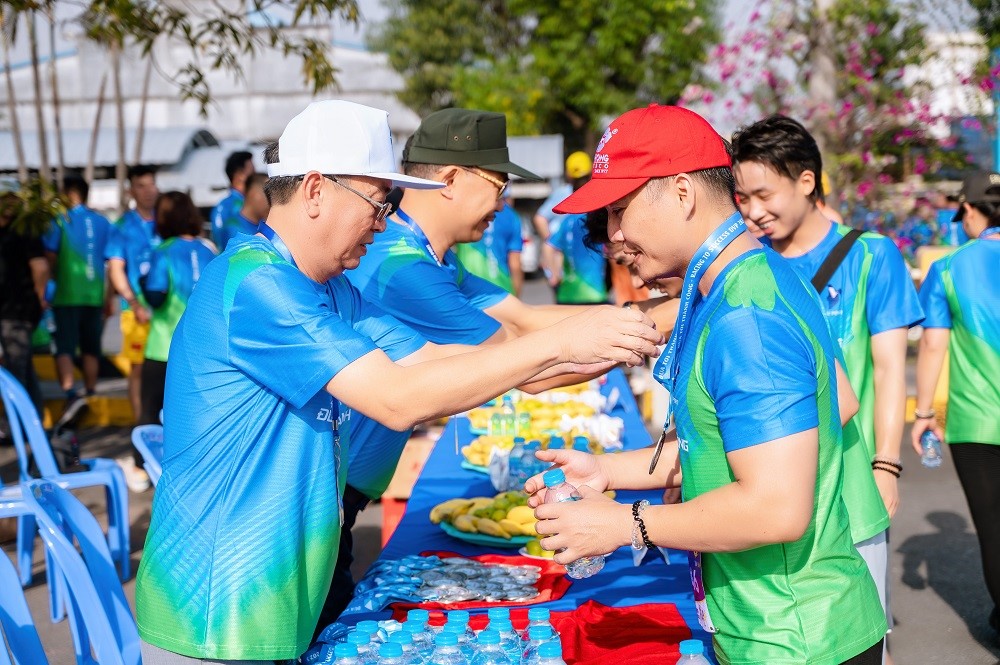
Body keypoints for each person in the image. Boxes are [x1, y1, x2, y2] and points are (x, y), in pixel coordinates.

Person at [133, 99, 661, 664]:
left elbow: (435, 362)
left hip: (273, 604)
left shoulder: (330, 287)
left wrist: (589, 339)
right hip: (216, 613)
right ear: (315, 190)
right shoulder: (260, 285)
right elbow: (397, 399)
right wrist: (560, 344)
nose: (384, 222)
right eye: (377, 202)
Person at [526, 104, 887, 664]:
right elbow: (807, 415)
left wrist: (626, 523)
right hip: (776, 627)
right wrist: (610, 472)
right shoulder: (754, 275)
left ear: (682, 192)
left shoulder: (747, 315)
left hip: (794, 638)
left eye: (619, 209)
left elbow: (776, 507)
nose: (614, 235)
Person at [731, 116, 925, 646]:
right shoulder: (750, 263)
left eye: (764, 195)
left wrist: (886, 465)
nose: (753, 211)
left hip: (852, 483)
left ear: (806, 181)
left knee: (864, 637)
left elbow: (890, 370)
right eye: (743, 198)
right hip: (767, 489)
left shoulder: (871, 255)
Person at [912, 170, 1000, 637]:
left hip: (978, 422)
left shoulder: (948, 267)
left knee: (994, 530)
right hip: (977, 423)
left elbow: (932, 345)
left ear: (968, 209)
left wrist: (925, 413)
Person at [137, 191, 217, 429]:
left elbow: (156, 297)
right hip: (203, 350)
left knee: (151, 419)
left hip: (164, 348)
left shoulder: (164, 251)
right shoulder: (209, 251)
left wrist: (142, 282)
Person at [42, 175, 117, 422]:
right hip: (94, 295)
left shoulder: (59, 220)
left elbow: (50, 257)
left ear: (70, 193)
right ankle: (91, 390)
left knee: (64, 347)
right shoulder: (103, 222)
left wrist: (47, 286)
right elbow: (111, 264)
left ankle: (71, 394)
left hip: (65, 294)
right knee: (91, 347)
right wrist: (108, 297)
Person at [107, 165, 161, 491]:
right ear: (131, 190)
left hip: (166, 315)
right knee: (139, 374)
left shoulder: (164, 220)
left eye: (152, 184)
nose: (149, 190)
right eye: (142, 185)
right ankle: (142, 441)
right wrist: (133, 302)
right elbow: (116, 269)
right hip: (137, 314)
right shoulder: (122, 227)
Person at [0, 178, 48, 416]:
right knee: (24, 369)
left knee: (15, 373)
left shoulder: (25, 231)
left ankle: (18, 425)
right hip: (12, 311)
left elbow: (41, 268)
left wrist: (38, 299)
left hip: (17, 312)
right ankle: (34, 421)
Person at [533, 151, 592, 282]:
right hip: (564, 262)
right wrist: (556, 243)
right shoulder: (563, 193)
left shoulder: (566, 192)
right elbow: (540, 218)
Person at [454, 199, 524, 295]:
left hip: (466, 287)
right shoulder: (512, 216)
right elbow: (515, 264)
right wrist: (516, 297)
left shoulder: (465, 209)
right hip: (501, 291)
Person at [547, 210, 609, 304]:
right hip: (593, 291)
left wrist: (554, 275)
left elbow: (549, 247)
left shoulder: (567, 220)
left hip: (567, 293)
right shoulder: (595, 217)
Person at [209, 150, 255, 250]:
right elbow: (221, 242)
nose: (256, 177)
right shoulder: (224, 207)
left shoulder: (256, 204)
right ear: (240, 175)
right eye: (252, 171)